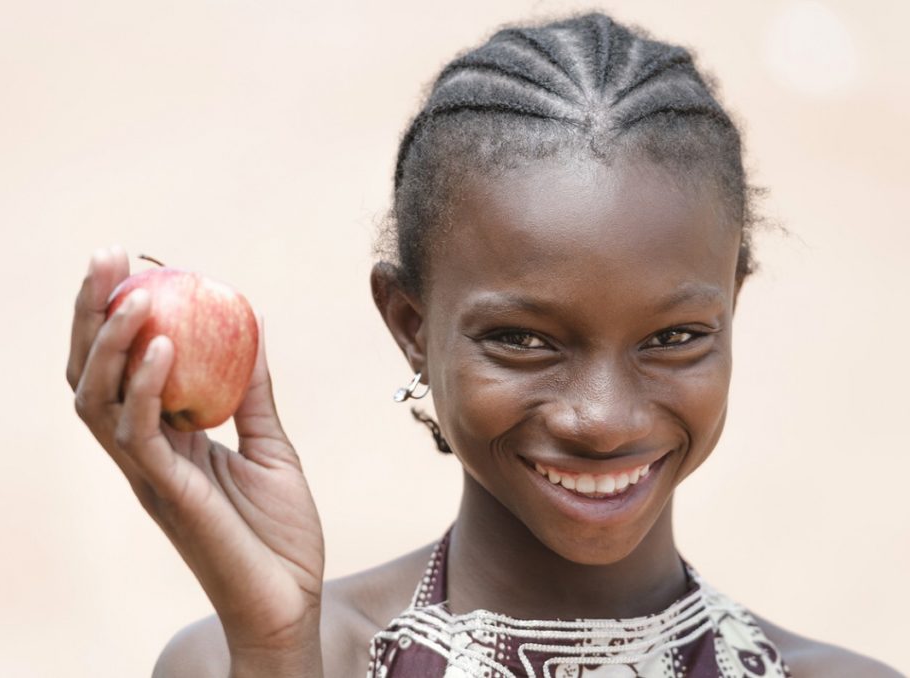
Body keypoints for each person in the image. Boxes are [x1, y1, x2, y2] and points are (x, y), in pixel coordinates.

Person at [66, 12, 901, 678]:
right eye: (524, 340)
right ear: (411, 328)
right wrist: (277, 646)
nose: (602, 418)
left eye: (675, 337)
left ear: (733, 311)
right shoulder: (247, 660)